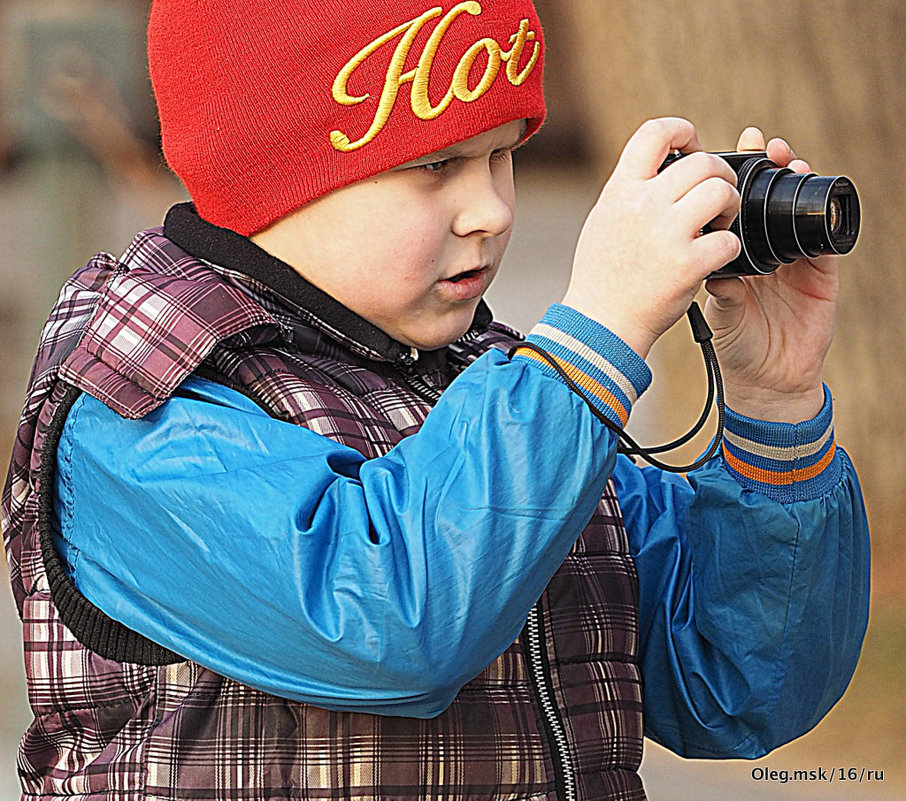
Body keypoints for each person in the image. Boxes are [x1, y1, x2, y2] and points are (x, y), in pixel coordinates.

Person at [1, 1, 869, 800]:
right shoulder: (141, 398)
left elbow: (737, 685)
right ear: (274, 173)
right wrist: (595, 333)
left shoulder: (503, 386)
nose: (489, 210)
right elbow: (386, 619)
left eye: (502, 156)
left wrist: (773, 401)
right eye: (435, 166)